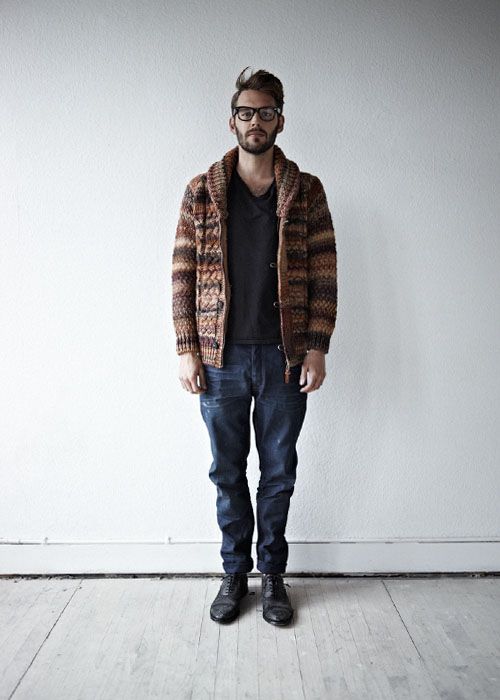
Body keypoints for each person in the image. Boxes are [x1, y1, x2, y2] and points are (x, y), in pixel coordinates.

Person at [171, 67, 337, 626]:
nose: (256, 122)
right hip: (220, 359)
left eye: (266, 112)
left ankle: (273, 579)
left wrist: (317, 346)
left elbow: (324, 272)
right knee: (227, 472)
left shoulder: (306, 191)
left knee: (279, 473)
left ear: (280, 121)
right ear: (233, 121)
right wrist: (186, 347)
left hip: (284, 357)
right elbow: (182, 273)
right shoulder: (201, 191)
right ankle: (233, 575)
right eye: (246, 112)